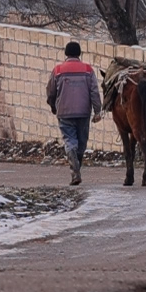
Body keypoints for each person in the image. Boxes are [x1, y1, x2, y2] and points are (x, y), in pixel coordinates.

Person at [46, 41, 102, 186]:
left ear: (66, 53)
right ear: (79, 53)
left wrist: (53, 106)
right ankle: (77, 169)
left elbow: (51, 91)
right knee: (81, 143)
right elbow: (94, 91)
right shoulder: (88, 70)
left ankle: (75, 171)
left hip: (64, 112)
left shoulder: (58, 70)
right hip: (83, 112)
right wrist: (97, 110)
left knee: (70, 141)